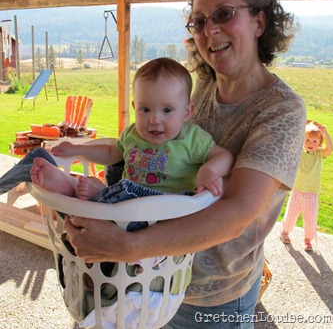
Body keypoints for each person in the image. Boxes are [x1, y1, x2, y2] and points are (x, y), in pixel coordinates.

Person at [61, 0, 306, 329]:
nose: (210, 30)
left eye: (224, 14)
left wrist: (128, 247)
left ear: (259, 21)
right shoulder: (201, 86)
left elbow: (238, 213)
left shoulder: (280, 110)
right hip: (151, 279)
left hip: (212, 293)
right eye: (199, 21)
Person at [30, 57, 234, 327]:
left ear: (187, 112)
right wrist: (79, 149)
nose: (154, 120)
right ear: (135, 107)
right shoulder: (132, 135)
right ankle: (71, 191)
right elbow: (111, 152)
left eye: (167, 110)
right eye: (146, 109)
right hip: (122, 213)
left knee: (117, 202)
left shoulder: (192, 139)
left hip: (163, 216)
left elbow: (224, 156)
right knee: (95, 215)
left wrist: (209, 171)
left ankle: (86, 194)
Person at [280, 120, 333, 251]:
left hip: (311, 192)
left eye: (315, 141)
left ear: (319, 143)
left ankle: (308, 239)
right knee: (291, 214)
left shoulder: (320, 154)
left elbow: (331, 148)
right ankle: (284, 232)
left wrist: (324, 131)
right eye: (308, 140)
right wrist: (302, 126)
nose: (311, 144)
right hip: (296, 189)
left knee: (310, 217)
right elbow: (291, 141)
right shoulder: (299, 151)